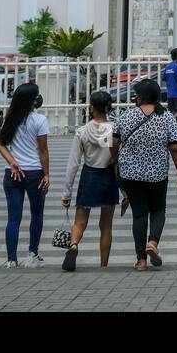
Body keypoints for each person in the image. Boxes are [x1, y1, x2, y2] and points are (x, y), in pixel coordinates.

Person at [111, 79, 177, 271]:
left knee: (139, 214)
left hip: (130, 174)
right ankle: (152, 243)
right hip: (157, 174)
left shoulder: (126, 116)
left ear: (142, 97)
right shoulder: (167, 117)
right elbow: (175, 148)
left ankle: (141, 261)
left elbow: (114, 143)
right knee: (158, 210)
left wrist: (116, 161)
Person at [60, 90, 119, 272]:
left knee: (80, 221)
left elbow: (73, 164)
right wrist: (125, 191)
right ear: (109, 108)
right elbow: (119, 160)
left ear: (90, 108)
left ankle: (74, 245)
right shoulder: (114, 130)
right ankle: (104, 264)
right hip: (108, 176)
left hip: (89, 176)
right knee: (106, 225)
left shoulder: (82, 131)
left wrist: (66, 193)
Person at [0, 83, 51, 268]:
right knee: (37, 213)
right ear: (32, 100)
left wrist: (12, 162)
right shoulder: (40, 120)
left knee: (13, 218)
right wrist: (47, 175)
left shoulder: (11, 119)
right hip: (34, 173)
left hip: (12, 174)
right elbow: (43, 150)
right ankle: (32, 254)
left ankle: (11, 259)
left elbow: (0, 144)